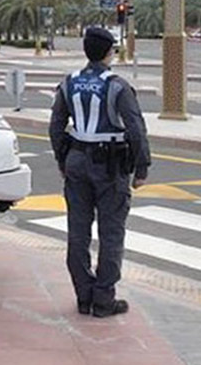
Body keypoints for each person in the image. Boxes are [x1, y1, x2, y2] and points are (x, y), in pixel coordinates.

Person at [49, 26, 151, 318]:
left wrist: (61, 159)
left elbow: (56, 126)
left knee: (78, 232)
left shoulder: (69, 83)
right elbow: (135, 128)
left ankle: (84, 295)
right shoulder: (118, 86)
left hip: (77, 161)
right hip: (110, 166)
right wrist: (141, 167)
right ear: (109, 52)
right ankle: (104, 299)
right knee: (111, 233)